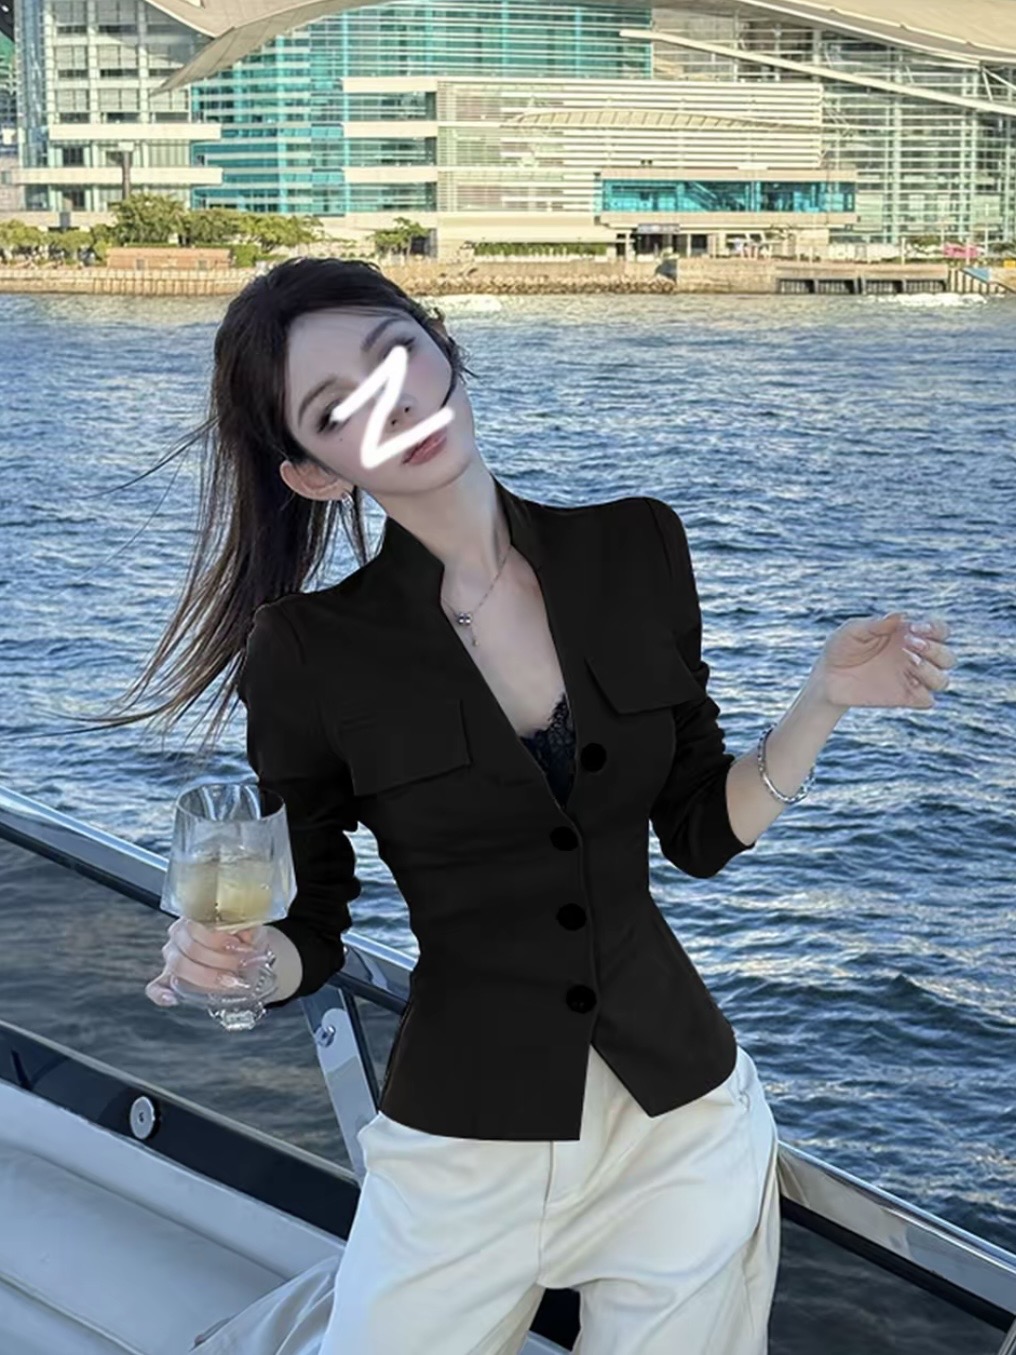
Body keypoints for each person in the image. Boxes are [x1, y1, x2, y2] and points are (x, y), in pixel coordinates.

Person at [84, 256, 953, 1353]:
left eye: (395, 355)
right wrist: (243, 966)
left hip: (680, 1118)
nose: (390, 402)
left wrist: (820, 699)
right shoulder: (309, 652)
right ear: (312, 473)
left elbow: (697, 827)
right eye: (336, 410)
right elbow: (311, 923)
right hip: (463, 1134)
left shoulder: (637, 546)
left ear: (442, 347)